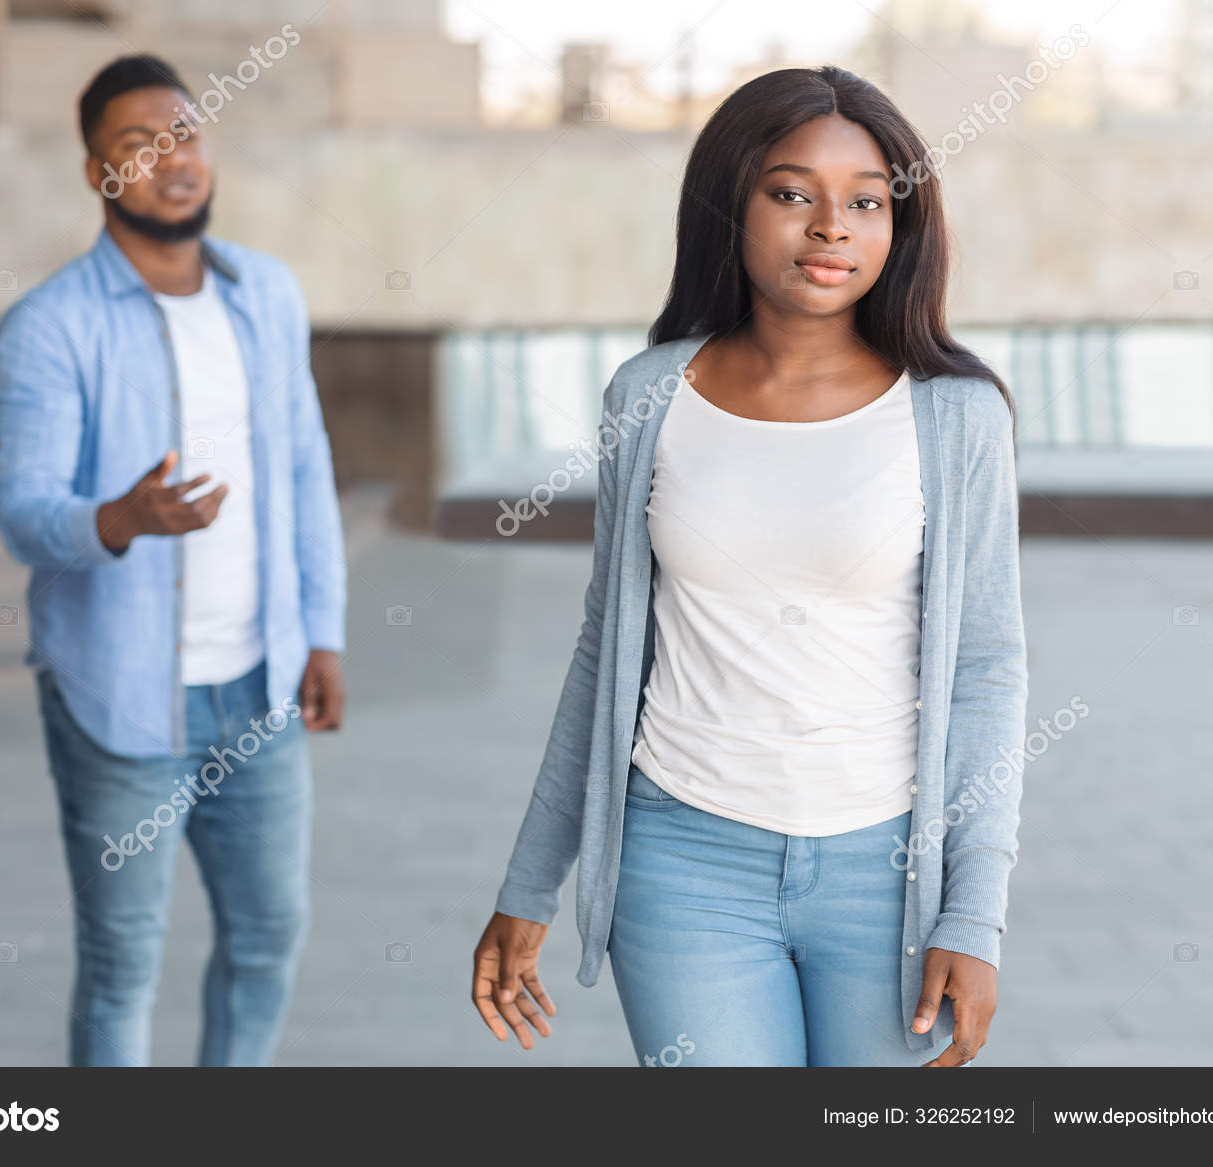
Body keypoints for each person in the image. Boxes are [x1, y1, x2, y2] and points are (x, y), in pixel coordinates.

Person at [472, 65, 1028, 1067]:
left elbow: (986, 666)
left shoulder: (955, 415)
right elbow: (608, 652)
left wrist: (972, 914)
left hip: (889, 872)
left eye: (865, 200)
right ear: (731, 202)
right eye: (791, 193)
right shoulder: (646, 397)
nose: (830, 227)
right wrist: (528, 883)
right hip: (682, 861)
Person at [0, 54, 347, 1066]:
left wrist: (322, 633)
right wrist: (120, 519)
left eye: (182, 132)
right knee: (121, 966)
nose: (169, 159)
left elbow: (305, 467)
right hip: (122, 702)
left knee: (270, 937)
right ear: (96, 171)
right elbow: (23, 514)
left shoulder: (266, 294)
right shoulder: (47, 328)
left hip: (260, 689)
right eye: (135, 145)